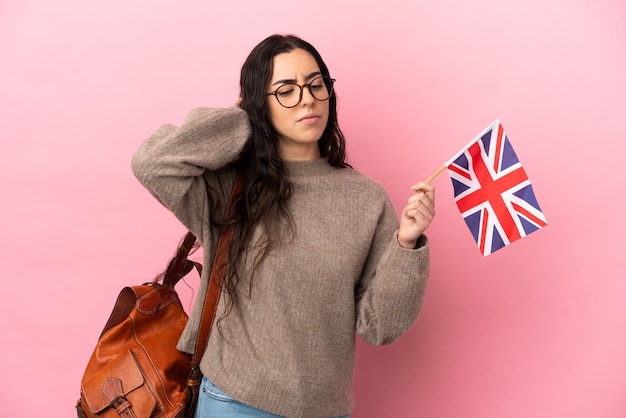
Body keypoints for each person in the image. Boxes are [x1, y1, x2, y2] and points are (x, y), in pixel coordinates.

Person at [131, 34, 435, 418]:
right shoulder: (231, 187)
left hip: (326, 409)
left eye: (316, 84)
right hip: (235, 402)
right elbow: (153, 163)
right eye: (286, 91)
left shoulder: (366, 199)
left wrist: (407, 245)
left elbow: (380, 327)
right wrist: (239, 119)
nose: (307, 99)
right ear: (261, 104)